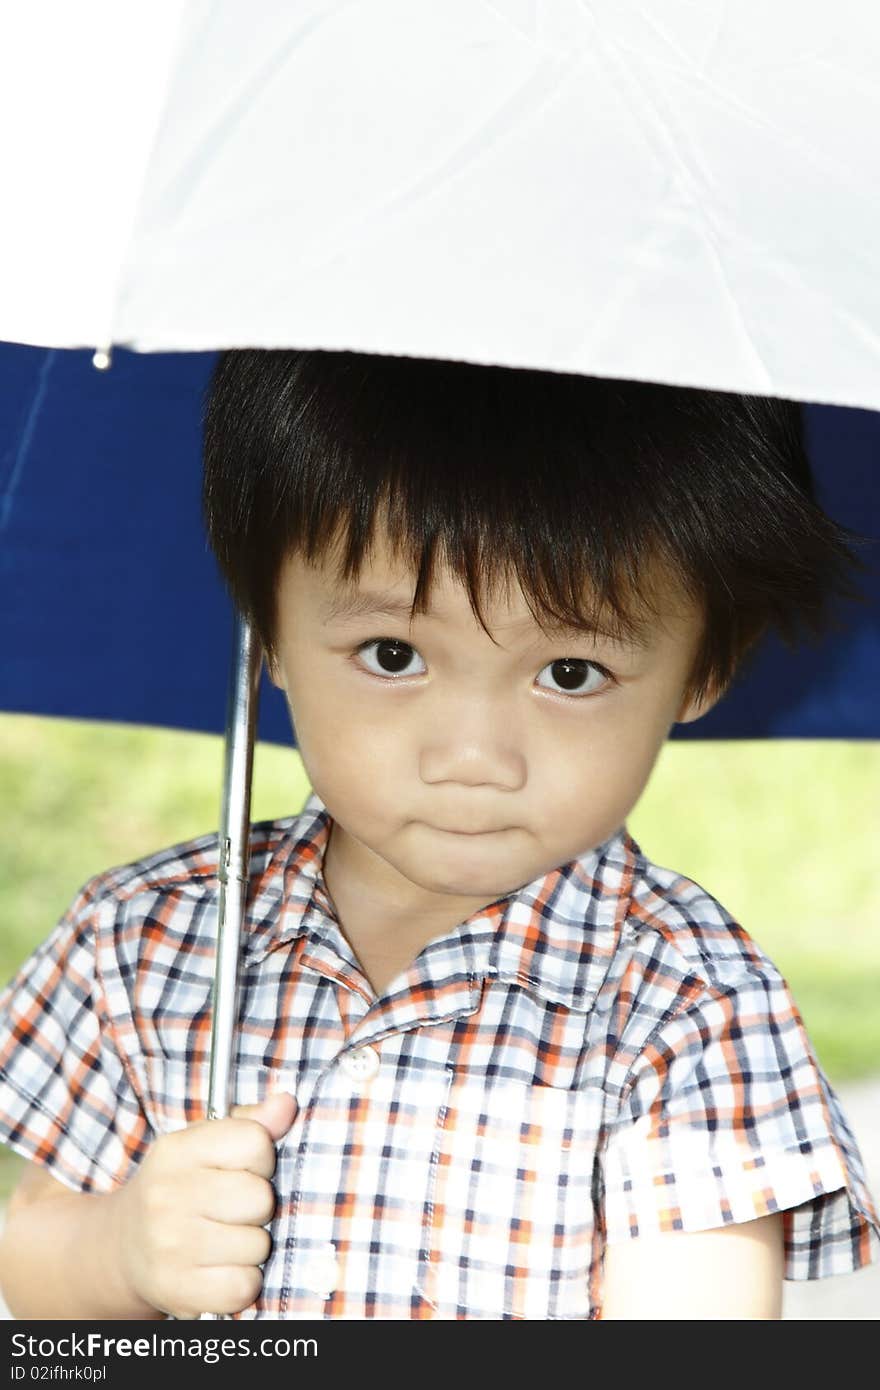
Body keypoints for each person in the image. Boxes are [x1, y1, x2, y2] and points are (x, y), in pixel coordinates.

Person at [0, 349, 877, 1321]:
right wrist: (121, 1251)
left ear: (704, 668)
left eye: (572, 673)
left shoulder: (684, 1000)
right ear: (269, 631)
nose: (474, 756)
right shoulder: (143, 938)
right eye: (392, 653)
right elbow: (32, 1263)